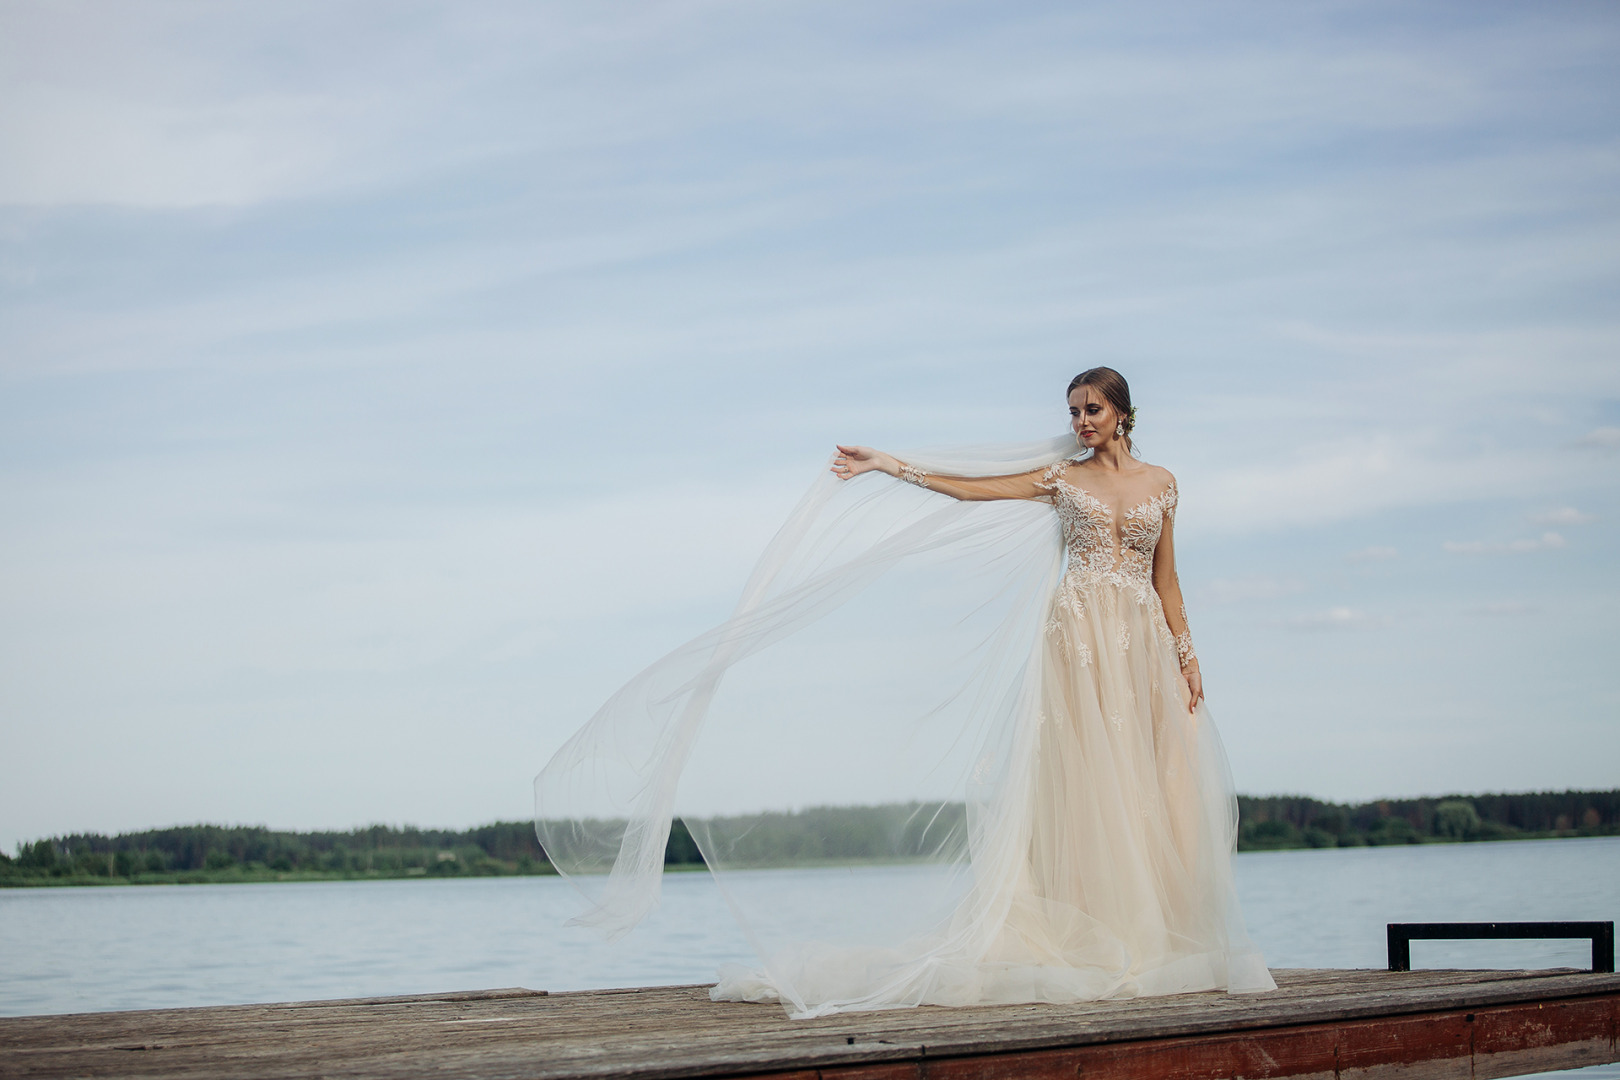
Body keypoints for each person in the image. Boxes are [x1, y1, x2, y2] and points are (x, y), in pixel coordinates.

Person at [535, 367, 1275, 1018]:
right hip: (1077, 640)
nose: (1080, 422)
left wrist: (1188, 654)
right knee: (1085, 781)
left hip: (1141, 641)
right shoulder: (1062, 480)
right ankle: (1097, 928)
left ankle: (1159, 924)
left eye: (1093, 410)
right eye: (1074, 410)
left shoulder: (1163, 483)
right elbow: (972, 490)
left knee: (1148, 776)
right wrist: (888, 464)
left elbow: (1167, 579)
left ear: (1123, 413)